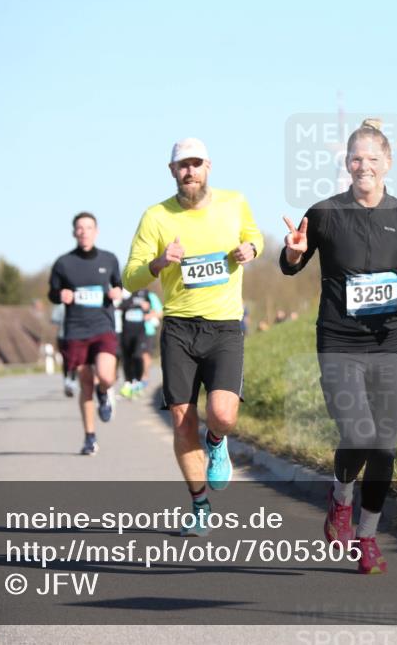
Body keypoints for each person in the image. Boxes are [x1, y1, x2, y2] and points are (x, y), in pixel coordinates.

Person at [280, 119, 397, 573]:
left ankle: (368, 536)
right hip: (338, 341)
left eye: (373, 159)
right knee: (358, 433)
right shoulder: (323, 214)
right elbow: (289, 267)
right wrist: (296, 253)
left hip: (387, 343)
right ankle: (340, 497)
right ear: (346, 163)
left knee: (385, 445)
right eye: (356, 158)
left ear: (388, 164)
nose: (364, 166)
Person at [124, 137, 263, 535]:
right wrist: (158, 262)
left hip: (224, 327)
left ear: (208, 167)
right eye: (182, 165)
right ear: (172, 172)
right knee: (182, 423)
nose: (189, 171)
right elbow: (129, 276)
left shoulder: (234, 202)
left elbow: (256, 237)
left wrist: (249, 250)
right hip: (179, 329)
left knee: (222, 413)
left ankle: (217, 440)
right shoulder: (156, 217)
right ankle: (199, 504)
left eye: (196, 163)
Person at [49, 212, 123, 455]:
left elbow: (118, 285)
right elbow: (52, 292)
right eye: (79, 228)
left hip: (103, 327)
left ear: (96, 231)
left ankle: (105, 393)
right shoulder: (63, 263)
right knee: (85, 384)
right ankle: (90, 437)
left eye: (88, 227)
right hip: (76, 331)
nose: (84, 232)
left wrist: (117, 293)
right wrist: (61, 295)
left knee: (106, 376)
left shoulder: (109, 259)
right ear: (74, 233)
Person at [118, 288, 163, 398]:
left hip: (147, 330)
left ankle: (143, 379)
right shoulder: (128, 295)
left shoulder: (149, 295)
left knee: (143, 356)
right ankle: (134, 381)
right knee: (131, 357)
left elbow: (160, 312)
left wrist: (149, 315)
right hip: (130, 331)